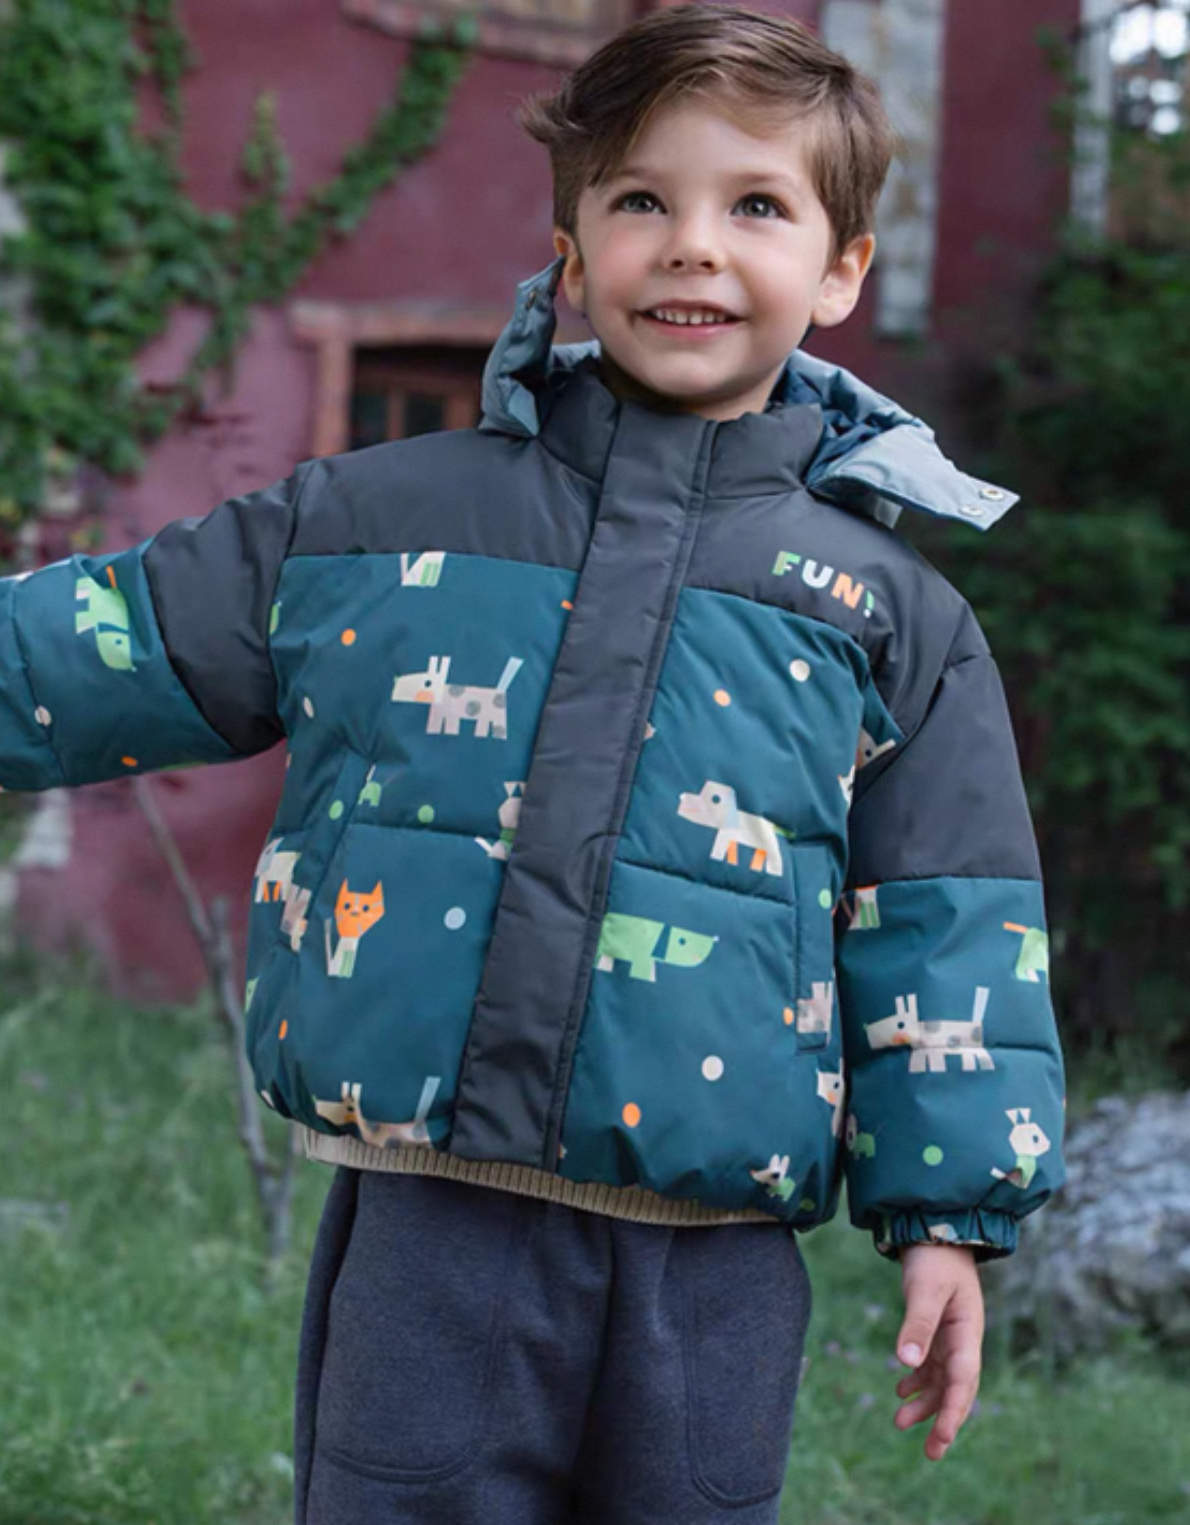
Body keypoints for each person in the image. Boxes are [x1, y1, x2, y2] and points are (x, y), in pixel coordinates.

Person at [0, 5, 1066, 1521]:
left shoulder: (889, 617)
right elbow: (104, 643)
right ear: (571, 255)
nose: (692, 245)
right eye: (641, 200)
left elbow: (951, 919)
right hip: (432, 1246)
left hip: (712, 1276)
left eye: (756, 206)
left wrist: (949, 1215)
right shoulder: (374, 524)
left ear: (840, 271)